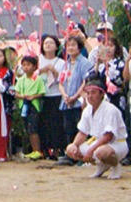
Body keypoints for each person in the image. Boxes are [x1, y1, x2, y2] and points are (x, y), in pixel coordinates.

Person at [65, 74, 128, 178]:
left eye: (93, 93)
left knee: (101, 152)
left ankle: (116, 166)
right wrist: (74, 145)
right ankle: (101, 165)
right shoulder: (87, 110)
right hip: (98, 142)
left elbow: (108, 136)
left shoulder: (110, 110)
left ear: (102, 94)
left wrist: (91, 150)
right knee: (71, 149)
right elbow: (82, 132)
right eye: (88, 93)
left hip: (117, 144)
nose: (90, 96)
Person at [58, 34, 93, 165]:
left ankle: (81, 156)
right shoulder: (65, 64)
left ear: (79, 47)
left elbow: (86, 81)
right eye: (68, 45)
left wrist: (75, 96)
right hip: (66, 102)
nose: (70, 48)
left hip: (79, 102)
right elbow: (60, 82)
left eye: (73, 45)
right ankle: (70, 155)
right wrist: (64, 95)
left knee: (81, 128)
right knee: (68, 128)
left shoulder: (85, 63)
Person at [37, 34, 66, 159]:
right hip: (41, 95)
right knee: (43, 123)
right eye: (45, 43)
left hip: (56, 94)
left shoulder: (61, 62)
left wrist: (54, 71)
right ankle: (44, 149)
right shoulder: (38, 60)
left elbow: (65, 78)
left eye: (51, 43)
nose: (48, 45)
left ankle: (56, 150)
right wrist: (42, 70)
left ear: (56, 46)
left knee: (56, 123)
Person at [13, 55, 46, 159]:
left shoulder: (38, 79)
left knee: (33, 129)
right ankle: (33, 149)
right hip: (24, 106)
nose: (26, 67)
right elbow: (16, 93)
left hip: (33, 106)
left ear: (34, 66)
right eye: (24, 65)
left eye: (28, 65)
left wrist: (33, 97)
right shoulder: (21, 80)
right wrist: (23, 96)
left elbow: (42, 92)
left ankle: (37, 150)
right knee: (28, 128)